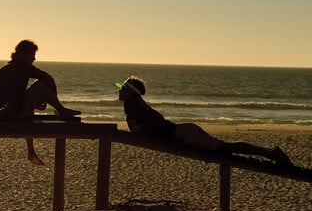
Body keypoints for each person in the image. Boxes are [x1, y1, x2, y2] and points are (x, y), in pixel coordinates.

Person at [116, 75, 292, 166]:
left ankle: (272, 153)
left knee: (226, 149)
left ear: (131, 92)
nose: (119, 91)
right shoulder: (134, 105)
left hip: (185, 135)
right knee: (226, 150)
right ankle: (271, 153)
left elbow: (141, 132)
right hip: (183, 134)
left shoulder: (133, 105)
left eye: (122, 88)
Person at [0, 39, 81, 165]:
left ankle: (31, 151)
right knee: (41, 86)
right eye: (32, 54)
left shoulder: (10, 67)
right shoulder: (22, 67)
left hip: (4, 110)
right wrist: (41, 102)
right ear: (23, 54)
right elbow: (47, 78)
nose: (34, 58)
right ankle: (61, 110)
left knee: (31, 98)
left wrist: (37, 102)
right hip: (7, 113)